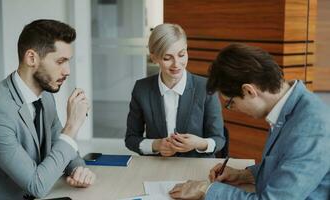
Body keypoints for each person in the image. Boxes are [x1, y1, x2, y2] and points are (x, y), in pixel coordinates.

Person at [169, 43, 330, 199]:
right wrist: (245, 175)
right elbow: (287, 161)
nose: (234, 109)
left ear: (249, 90)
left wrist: (207, 189)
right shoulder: (293, 105)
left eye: (231, 103)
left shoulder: (312, 129)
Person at [0, 19, 95, 199]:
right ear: (31, 58)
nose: (67, 71)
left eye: (68, 61)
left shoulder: (45, 97)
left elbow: (60, 145)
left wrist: (78, 168)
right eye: (60, 61)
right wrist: (71, 127)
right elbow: (36, 185)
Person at [125, 23, 225, 158]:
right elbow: (131, 139)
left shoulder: (206, 88)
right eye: (167, 58)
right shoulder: (142, 89)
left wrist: (199, 143)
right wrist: (156, 145)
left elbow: (219, 139)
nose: (176, 64)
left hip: (196, 166)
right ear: (154, 57)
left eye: (181, 54)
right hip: (158, 166)